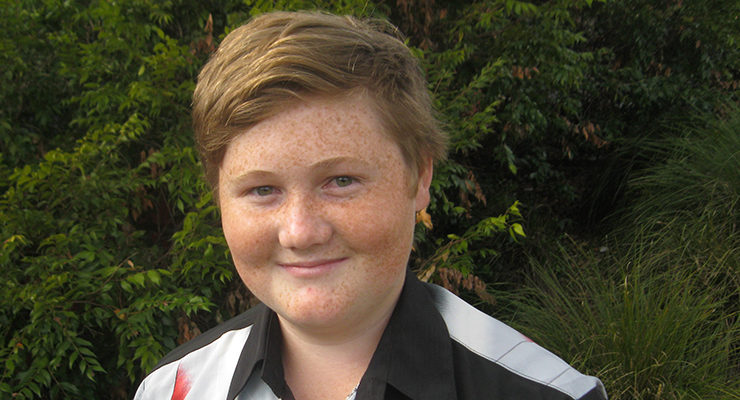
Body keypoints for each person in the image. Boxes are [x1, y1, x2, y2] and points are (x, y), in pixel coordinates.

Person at [134, 10, 607, 400]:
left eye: (341, 181)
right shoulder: (173, 390)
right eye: (262, 190)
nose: (300, 232)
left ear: (419, 177)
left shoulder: (543, 394)